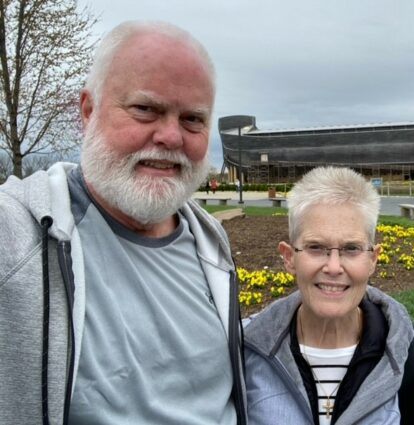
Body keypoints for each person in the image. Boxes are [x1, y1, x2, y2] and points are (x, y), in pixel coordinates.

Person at [0, 21, 247, 425]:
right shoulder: (17, 234)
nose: (170, 136)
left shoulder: (211, 244)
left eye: (192, 120)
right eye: (145, 109)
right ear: (88, 111)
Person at [244, 166, 414, 424]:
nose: (333, 267)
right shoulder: (247, 354)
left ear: (373, 259)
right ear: (289, 257)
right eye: (315, 247)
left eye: (351, 248)